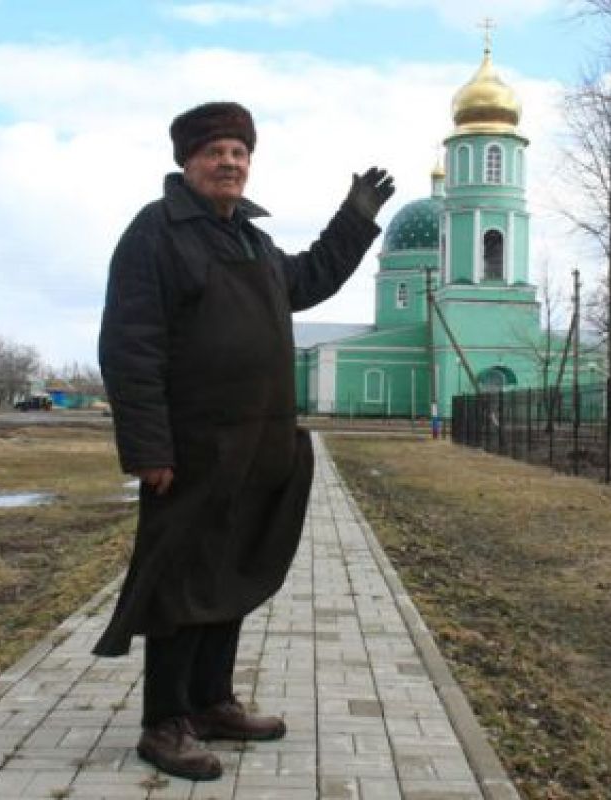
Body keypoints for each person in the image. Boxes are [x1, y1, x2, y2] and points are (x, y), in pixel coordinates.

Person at [94, 101, 394, 781]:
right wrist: (148, 449)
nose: (229, 163)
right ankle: (164, 722)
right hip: (191, 450)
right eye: (215, 152)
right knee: (180, 582)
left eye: (239, 152)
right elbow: (130, 344)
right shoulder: (156, 233)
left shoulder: (252, 242)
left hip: (257, 447)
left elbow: (309, 279)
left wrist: (353, 220)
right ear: (187, 162)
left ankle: (210, 702)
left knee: (229, 575)